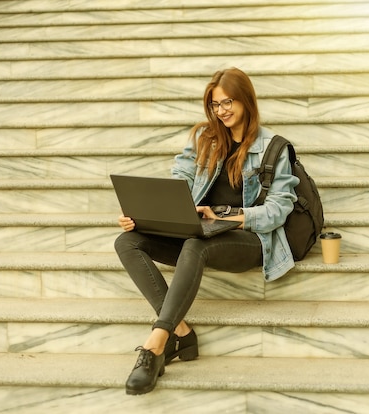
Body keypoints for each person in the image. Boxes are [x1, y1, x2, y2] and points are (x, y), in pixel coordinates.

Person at [114, 67, 300, 395]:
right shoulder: (205, 139)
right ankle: (181, 332)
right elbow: (179, 183)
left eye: (228, 102)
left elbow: (277, 211)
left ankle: (156, 343)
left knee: (194, 246)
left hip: (250, 239)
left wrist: (226, 219)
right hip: (201, 231)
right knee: (128, 241)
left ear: (246, 100)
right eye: (215, 105)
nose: (222, 111)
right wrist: (145, 215)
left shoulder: (274, 148)